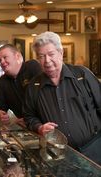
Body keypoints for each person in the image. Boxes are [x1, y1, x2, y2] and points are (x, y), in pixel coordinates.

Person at [24, 31, 101, 165]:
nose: (47, 61)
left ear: (61, 53)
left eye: (51, 54)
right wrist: (39, 127)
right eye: (41, 56)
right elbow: (29, 116)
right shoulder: (33, 86)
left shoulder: (82, 75)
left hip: (94, 152)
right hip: (59, 157)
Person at [0, 44, 41, 126]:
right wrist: (1, 115)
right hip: (25, 127)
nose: (2, 62)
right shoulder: (3, 81)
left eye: (5, 57)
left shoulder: (32, 67)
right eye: (0, 60)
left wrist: (30, 120)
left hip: (43, 122)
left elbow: (46, 96)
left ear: (17, 56)